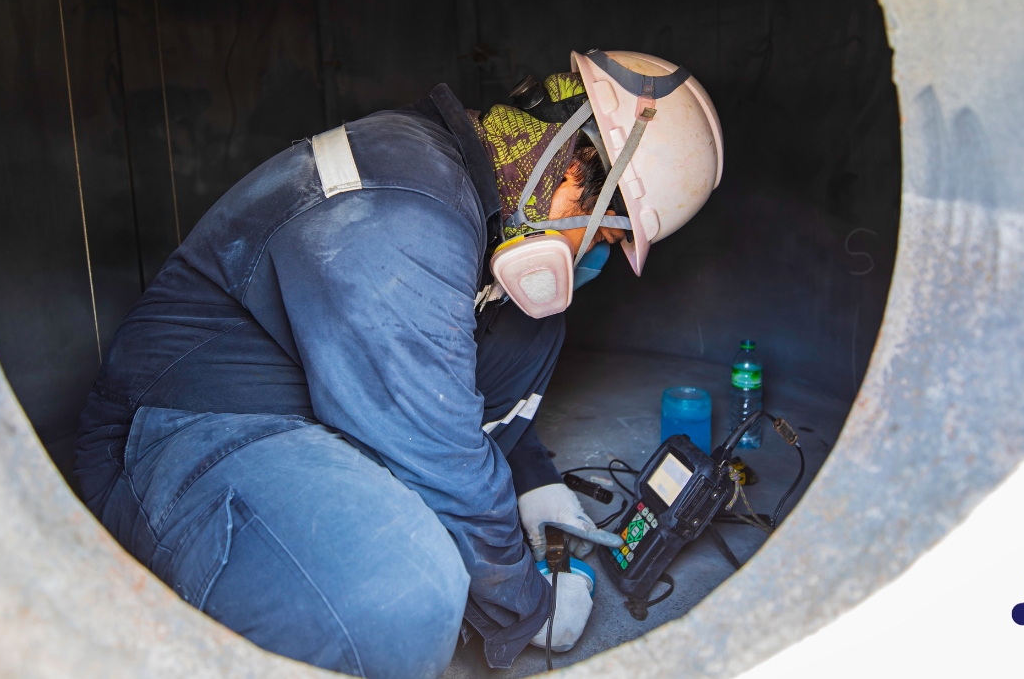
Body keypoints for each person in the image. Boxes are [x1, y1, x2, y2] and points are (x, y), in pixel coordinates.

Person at [74, 50, 723, 679]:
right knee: (397, 601)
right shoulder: (400, 208)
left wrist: (532, 480)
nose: (594, 261)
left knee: (537, 326)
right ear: (570, 165)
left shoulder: (477, 206)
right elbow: (439, 454)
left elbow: (471, 399)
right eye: (604, 234)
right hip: (192, 426)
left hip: (323, 420)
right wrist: (527, 611)